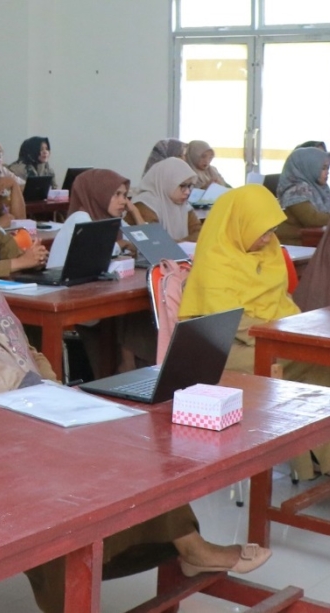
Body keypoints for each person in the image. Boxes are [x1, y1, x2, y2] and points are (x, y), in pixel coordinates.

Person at [0, 205, 272, 613]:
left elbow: (26, 353)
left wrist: (47, 388)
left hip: (25, 410)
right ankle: (71, 595)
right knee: (44, 486)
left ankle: (186, 543)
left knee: (124, 448)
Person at [181, 185, 330, 480]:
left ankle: (319, 458)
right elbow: (228, 322)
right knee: (302, 362)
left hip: (267, 335)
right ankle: (309, 457)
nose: (267, 238)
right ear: (239, 224)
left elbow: (282, 302)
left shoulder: (269, 249)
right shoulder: (216, 258)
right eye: (261, 231)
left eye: (272, 230)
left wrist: (293, 330)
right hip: (223, 348)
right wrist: (282, 336)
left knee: (319, 362)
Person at [53, 169, 151, 374]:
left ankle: (135, 370)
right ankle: (124, 369)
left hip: (100, 293)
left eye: (125, 195)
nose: (123, 201)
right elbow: (98, 252)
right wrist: (123, 244)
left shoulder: (112, 218)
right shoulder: (81, 216)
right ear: (98, 194)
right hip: (70, 298)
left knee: (140, 311)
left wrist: (135, 214)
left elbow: (146, 244)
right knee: (131, 314)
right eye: (116, 195)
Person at [128, 157, 201, 241]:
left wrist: (178, 244)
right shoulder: (145, 204)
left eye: (189, 186)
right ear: (167, 182)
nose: (187, 192)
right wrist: (181, 244)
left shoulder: (184, 205)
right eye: (182, 186)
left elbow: (199, 233)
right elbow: (155, 241)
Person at [274, 147, 330, 246]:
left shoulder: (321, 190)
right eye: (323, 168)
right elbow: (313, 219)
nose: (327, 172)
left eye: (327, 168)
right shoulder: (295, 191)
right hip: (295, 244)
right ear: (309, 167)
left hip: (315, 241)